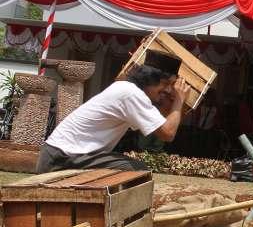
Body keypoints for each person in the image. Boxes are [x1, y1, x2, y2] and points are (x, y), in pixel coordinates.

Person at [36, 51, 190, 173]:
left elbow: (161, 123)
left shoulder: (128, 90)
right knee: (138, 171)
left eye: (172, 85)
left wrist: (173, 104)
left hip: (61, 154)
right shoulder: (131, 94)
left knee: (133, 168)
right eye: (165, 84)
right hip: (63, 156)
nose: (170, 90)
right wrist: (179, 101)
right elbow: (167, 133)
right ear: (150, 79)